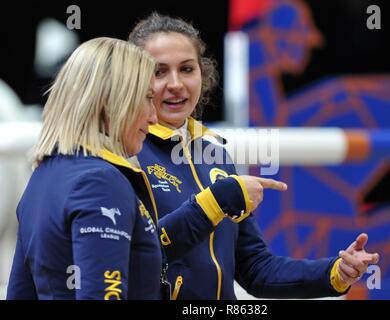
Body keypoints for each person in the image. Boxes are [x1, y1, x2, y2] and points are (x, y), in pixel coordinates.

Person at [6, 37, 285, 300]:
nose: (153, 117)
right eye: (146, 98)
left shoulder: (44, 174)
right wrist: (211, 205)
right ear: (111, 102)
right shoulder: (101, 181)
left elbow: (19, 291)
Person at [128, 13, 380, 300]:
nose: (175, 83)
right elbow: (136, 253)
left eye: (187, 69)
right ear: (134, 79)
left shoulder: (214, 154)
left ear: (203, 73)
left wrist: (335, 273)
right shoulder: (125, 151)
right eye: (159, 72)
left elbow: (256, 269)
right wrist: (213, 203)